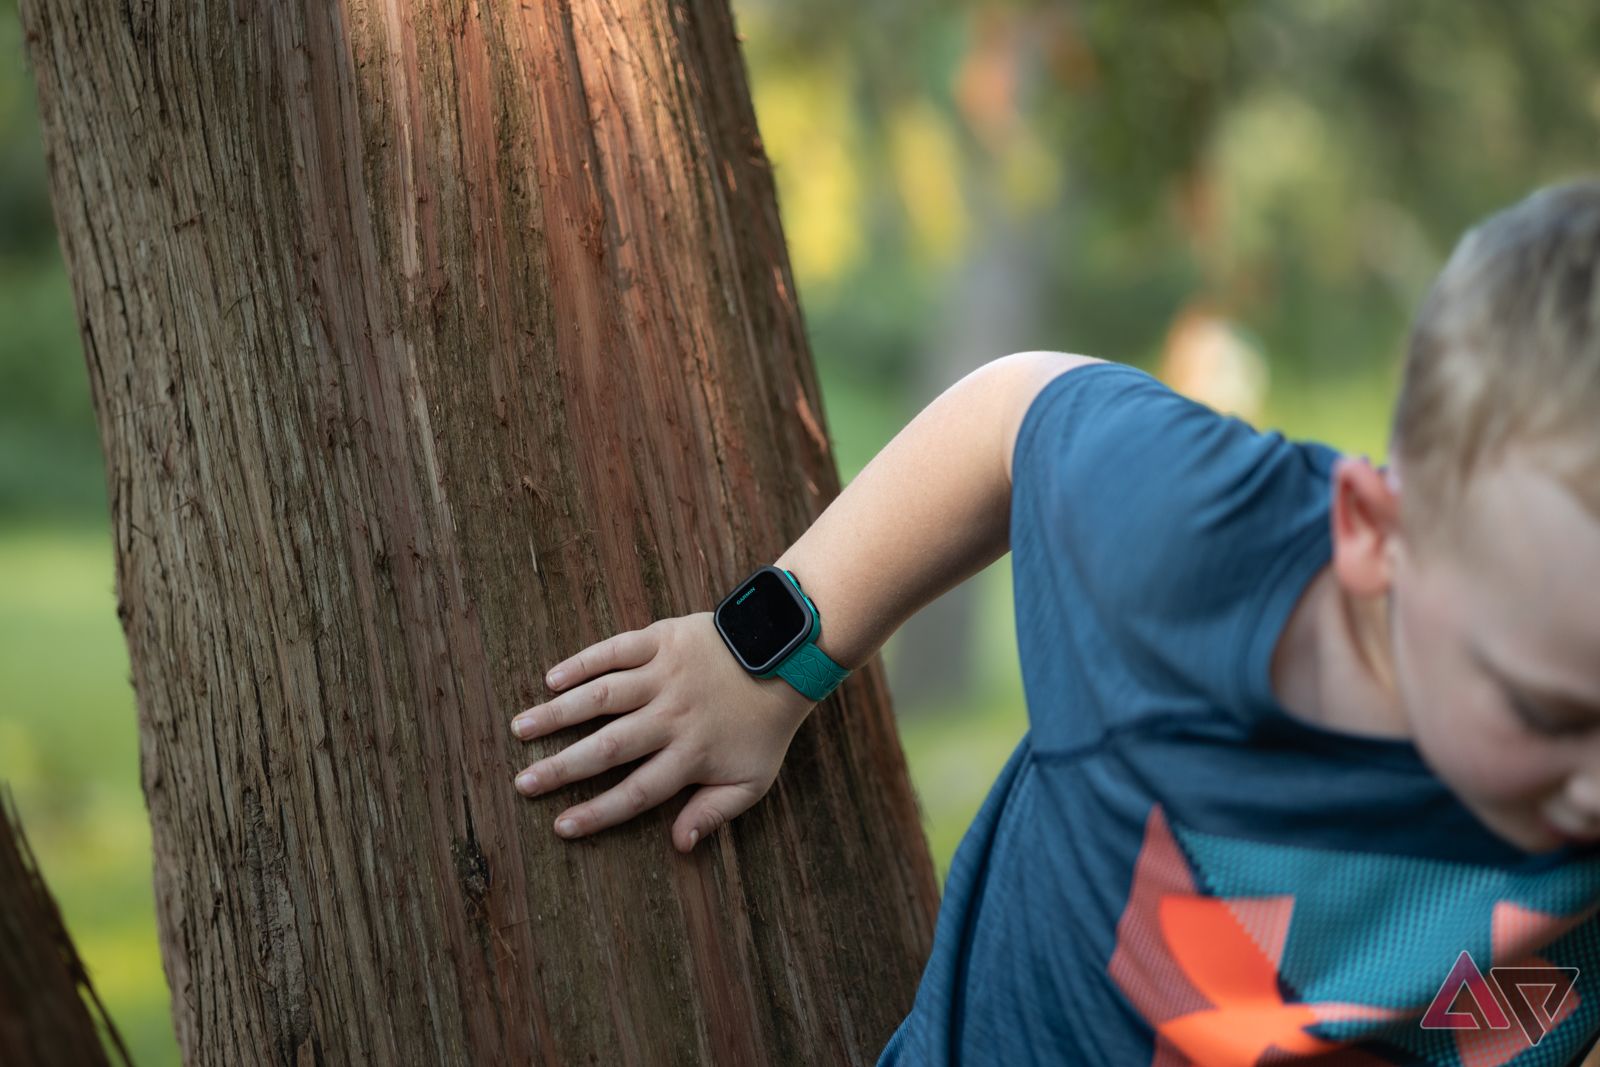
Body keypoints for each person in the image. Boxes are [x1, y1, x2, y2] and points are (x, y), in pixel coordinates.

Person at [507, 180, 1600, 1065]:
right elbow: (1014, 411)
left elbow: (1512, 1011)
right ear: (1376, 533)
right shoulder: (1187, 546)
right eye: (1551, 708)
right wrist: (765, 656)